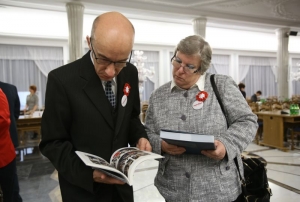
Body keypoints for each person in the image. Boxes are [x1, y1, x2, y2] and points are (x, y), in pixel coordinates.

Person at [39, 12, 151, 202]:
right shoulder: (62, 80)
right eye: (104, 59)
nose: (111, 71)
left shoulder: (130, 72)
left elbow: (131, 117)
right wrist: (89, 173)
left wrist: (140, 136)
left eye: (120, 62)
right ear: (90, 42)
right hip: (83, 191)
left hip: (122, 190)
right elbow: (52, 143)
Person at [144, 35, 258, 202]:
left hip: (219, 190)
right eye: (177, 61)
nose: (180, 70)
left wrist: (226, 145)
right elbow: (148, 131)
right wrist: (160, 145)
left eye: (190, 66)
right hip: (174, 189)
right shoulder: (158, 96)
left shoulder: (222, 85)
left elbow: (247, 121)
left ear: (202, 69)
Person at [0, 82, 22, 202]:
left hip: (3, 148)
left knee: (10, 189)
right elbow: (16, 113)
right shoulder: (11, 88)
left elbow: (3, 120)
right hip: (9, 138)